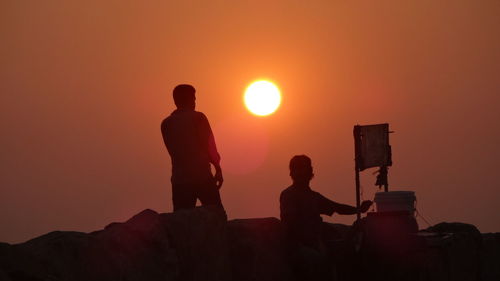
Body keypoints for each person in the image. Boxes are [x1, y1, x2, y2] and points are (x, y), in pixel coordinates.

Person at [280, 155, 372, 280]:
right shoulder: (289, 195)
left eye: (305, 169)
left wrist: (358, 209)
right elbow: (290, 225)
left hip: (316, 242)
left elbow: (336, 207)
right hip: (299, 246)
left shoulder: (313, 196)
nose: (303, 173)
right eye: (299, 169)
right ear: (292, 173)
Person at [161, 84, 225, 213]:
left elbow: (172, 151)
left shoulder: (166, 124)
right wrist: (218, 169)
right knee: (216, 215)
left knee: (182, 221)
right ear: (190, 99)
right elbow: (210, 147)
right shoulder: (198, 118)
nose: (195, 102)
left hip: (179, 180)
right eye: (194, 98)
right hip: (202, 176)